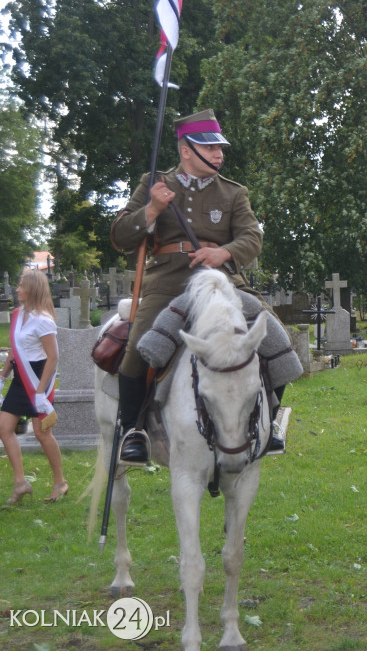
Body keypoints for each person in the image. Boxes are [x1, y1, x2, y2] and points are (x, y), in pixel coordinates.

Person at [111, 109, 284, 465]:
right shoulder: (153, 183)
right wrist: (151, 210)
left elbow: (252, 239)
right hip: (168, 281)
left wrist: (223, 252)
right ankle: (133, 430)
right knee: (139, 345)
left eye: (221, 147)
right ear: (186, 149)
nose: (220, 153)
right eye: (211, 146)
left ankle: (271, 421)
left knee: (276, 339)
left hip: (223, 282)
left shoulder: (235, 193)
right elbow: (120, 237)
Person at [0, 270, 67, 504]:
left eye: (21, 286)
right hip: (20, 379)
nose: (17, 289)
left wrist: (40, 391)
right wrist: (3, 375)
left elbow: (53, 357)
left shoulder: (43, 319)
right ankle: (20, 483)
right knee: (4, 428)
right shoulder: (18, 314)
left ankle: (60, 482)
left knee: (42, 433)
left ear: (32, 289)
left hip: (40, 377)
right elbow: (14, 349)